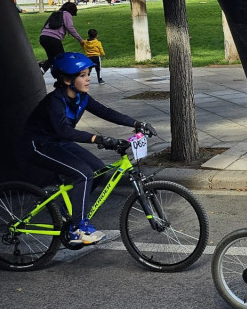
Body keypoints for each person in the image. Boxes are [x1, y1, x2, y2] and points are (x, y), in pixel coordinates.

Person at [19, 52, 157, 245]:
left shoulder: (81, 97)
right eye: (82, 75)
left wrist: (136, 123)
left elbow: (106, 112)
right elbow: (64, 130)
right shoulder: (55, 102)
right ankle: (78, 228)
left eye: (88, 74)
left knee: (99, 171)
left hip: (58, 141)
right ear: (67, 79)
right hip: (38, 145)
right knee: (83, 174)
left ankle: (74, 213)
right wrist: (97, 138)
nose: (88, 78)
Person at [39, 2, 84, 74]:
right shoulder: (66, 14)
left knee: (52, 58)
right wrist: (80, 40)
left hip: (43, 37)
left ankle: (40, 71)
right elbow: (70, 28)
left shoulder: (56, 14)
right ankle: (65, 77)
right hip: (53, 39)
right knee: (62, 58)